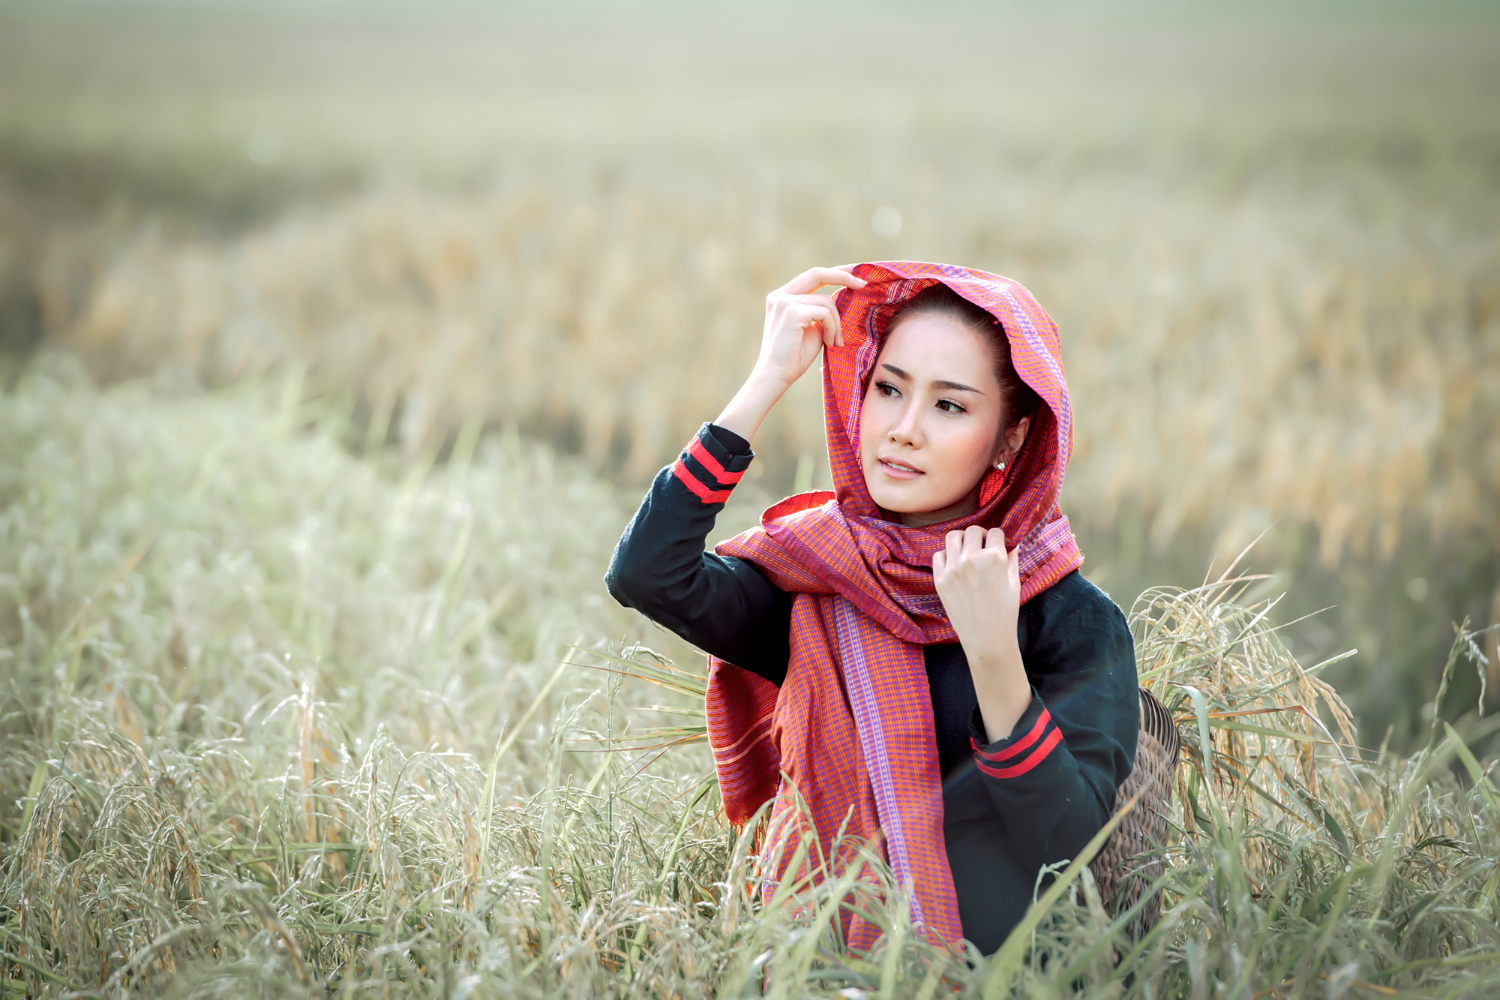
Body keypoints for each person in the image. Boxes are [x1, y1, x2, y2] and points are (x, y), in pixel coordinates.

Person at [605, 262, 1139, 956]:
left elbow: (1070, 851)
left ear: (1011, 437)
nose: (903, 429)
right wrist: (765, 379)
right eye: (888, 389)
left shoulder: (1071, 617)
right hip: (824, 976)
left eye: (950, 405)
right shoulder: (821, 584)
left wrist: (993, 656)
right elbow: (648, 574)